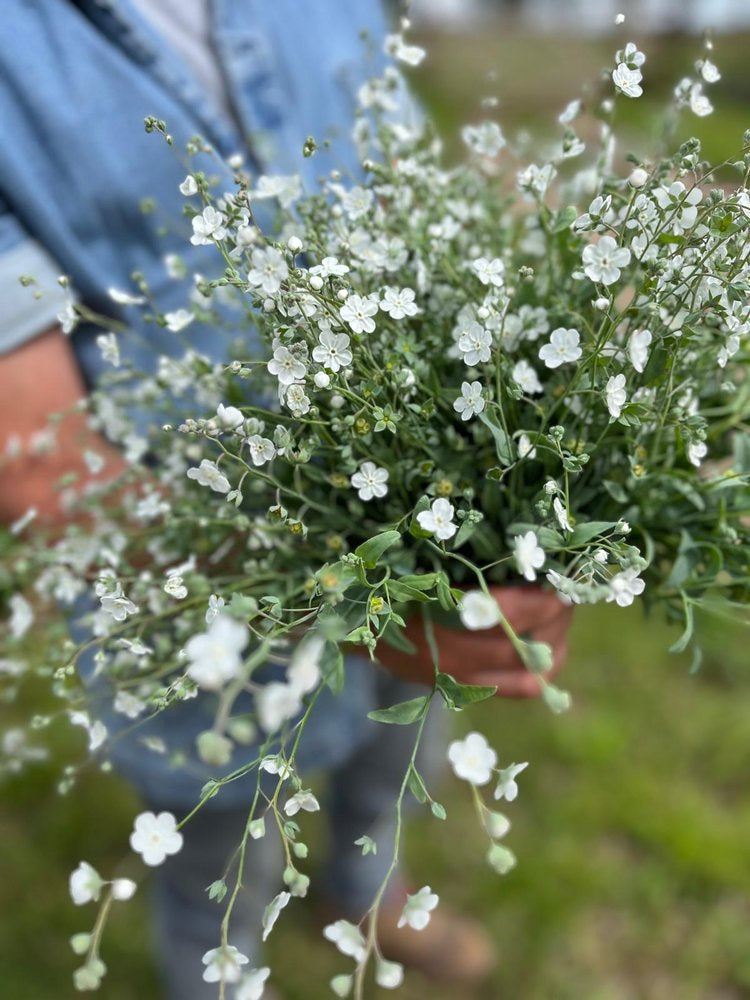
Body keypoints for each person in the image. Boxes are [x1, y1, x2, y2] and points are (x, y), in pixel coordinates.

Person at [0, 3, 571, 997]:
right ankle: (223, 969)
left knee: (401, 735)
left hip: (413, 494)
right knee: (224, 814)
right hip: (181, 576)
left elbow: (416, 193)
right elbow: (42, 465)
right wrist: (363, 604)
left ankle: (364, 892)